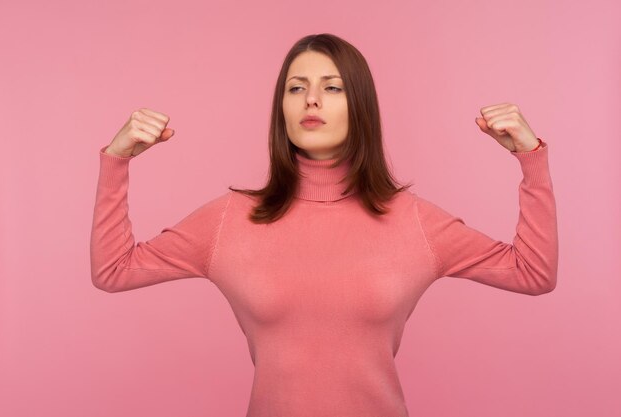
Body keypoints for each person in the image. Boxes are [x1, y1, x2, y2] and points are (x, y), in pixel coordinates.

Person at [90, 33, 558, 417]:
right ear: (283, 109)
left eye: (332, 87)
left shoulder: (414, 221)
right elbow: (113, 269)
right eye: (296, 88)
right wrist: (117, 161)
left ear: (361, 105)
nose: (311, 98)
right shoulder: (230, 220)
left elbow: (533, 273)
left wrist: (529, 157)